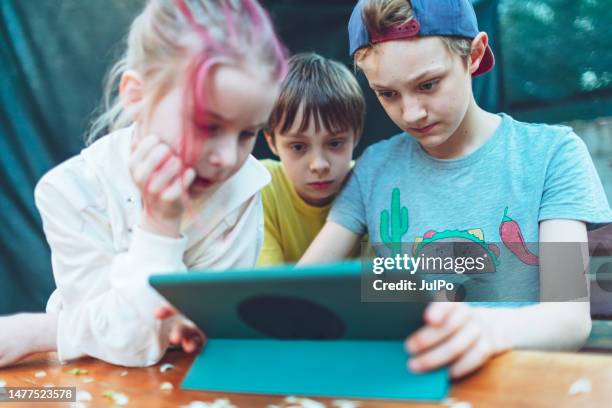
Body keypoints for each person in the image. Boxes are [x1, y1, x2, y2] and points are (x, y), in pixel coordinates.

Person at [301, 0, 612, 378]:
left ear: (474, 55)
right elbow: (302, 288)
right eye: (387, 94)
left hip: (519, 380)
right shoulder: (373, 167)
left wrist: (484, 330)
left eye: (428, 84)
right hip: (409, 384)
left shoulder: (551, 153)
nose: (412, 113)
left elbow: (568, 318)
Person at [0, 0, 287, 368]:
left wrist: (41, 330)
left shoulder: (244, 185)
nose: (227, 157)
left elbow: (209, 326)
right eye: (207, 126)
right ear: (136, 96)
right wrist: (158, 225)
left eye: (248, 133)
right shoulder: (70, 192)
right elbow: (128, 343)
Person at [257, 52, 366, 266]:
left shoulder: (373, 185)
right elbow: (268, 289)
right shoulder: (259, 186)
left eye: (335, 143)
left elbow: (382, 288)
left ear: (356, 135)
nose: (319, 165)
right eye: (298, 146)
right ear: (271, 142)